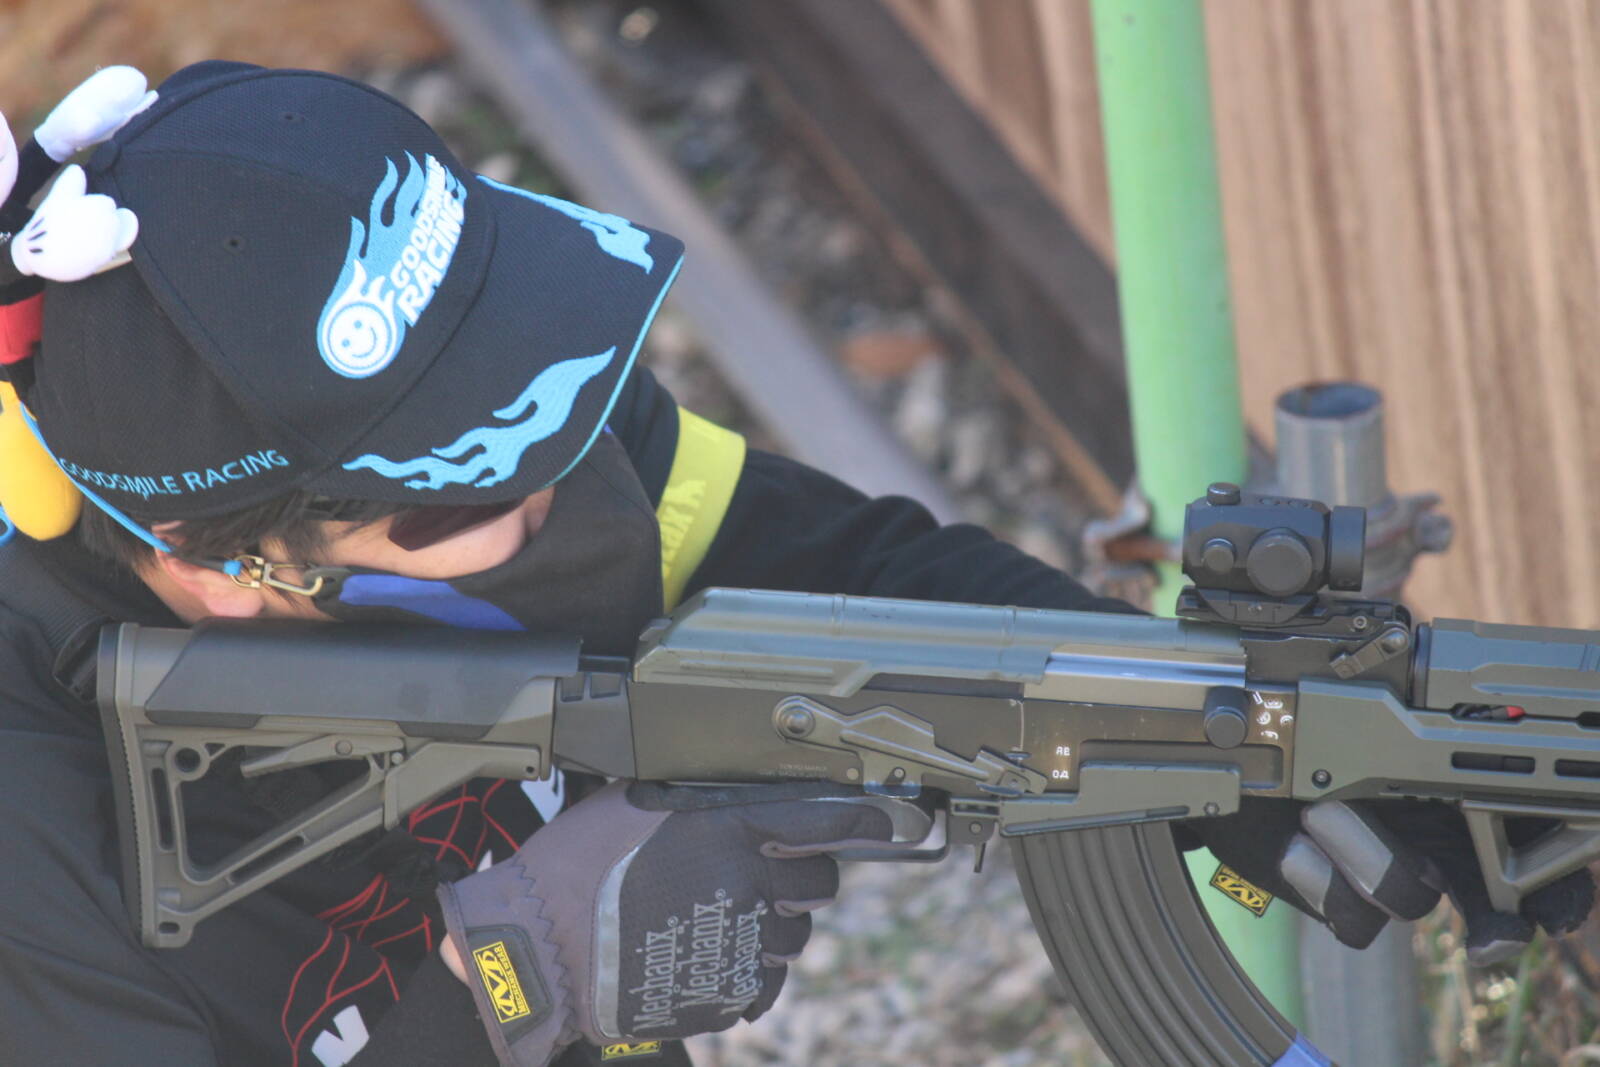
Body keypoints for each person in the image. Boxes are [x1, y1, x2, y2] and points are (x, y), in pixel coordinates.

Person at [0, 61, 1590, 1067]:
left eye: (532, 394)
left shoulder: (560, 475)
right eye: (462, 478)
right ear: (222, 563)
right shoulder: (37, 859)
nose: (562, 476)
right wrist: (511, 986)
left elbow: (847, 577)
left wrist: (1219, 741)